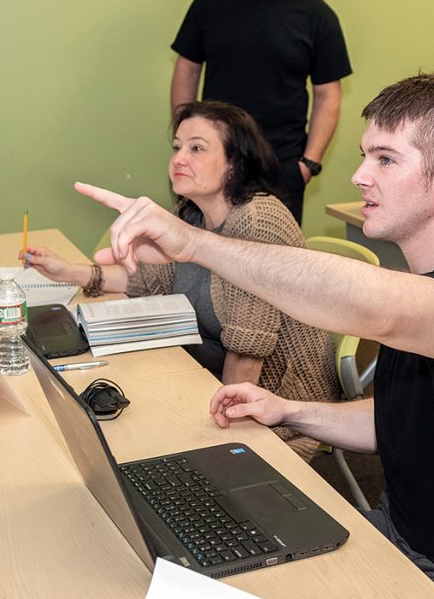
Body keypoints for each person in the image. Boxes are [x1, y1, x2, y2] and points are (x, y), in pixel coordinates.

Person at [75, 73, 434, 599]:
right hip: (406, 539)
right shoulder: (427, 281)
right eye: (364, 156)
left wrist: (194, 243)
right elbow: (400, 419)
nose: (358, 175)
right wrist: (288, 410)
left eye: (385, 159)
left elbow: (377, 308)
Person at [27, 101, 339, 460]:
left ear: (235, 162)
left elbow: (247, 354)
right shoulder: (190, 214)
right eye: (177, 147)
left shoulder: (257, 220)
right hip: (208, 367)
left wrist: (220, 439)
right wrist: (69, 271)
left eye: (197, 148)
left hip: (276, 401)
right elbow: (146, 281)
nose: (179, 158)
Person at [169, 0, 352, 224]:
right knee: (199, 259)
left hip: (279, 166)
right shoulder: (212, 0)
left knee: (270, 268)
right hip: (211, 160)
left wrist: (308, 164)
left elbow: (328, 95)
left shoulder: (317, 16)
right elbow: (187, 67)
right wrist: (187, 141)